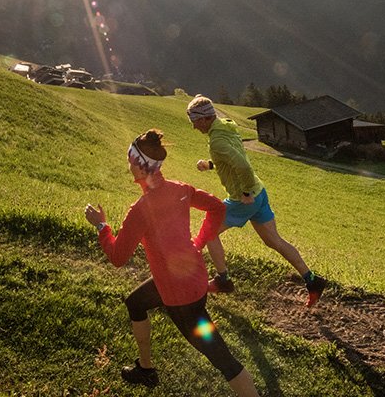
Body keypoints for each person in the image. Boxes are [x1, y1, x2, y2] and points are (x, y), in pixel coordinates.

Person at [83, 129, 259, 396]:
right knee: (136, 302)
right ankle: (146, 370)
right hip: (192, 277)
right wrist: (199, 242)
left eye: (131, 160)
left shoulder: (141, 210)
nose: (128, 164)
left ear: (140, 168)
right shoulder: (180, 189)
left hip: (181, 297)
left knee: (223, 359)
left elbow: (118, 258)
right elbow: (217, 208)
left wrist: (101, 227)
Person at [186, 95, 330, 307]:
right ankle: (312, 280)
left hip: (243, 200)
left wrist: (245, 193)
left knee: (208, 233)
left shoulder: (217, 140)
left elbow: (242, 165)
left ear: (204, 119)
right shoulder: (226, 127)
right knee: (274, 241)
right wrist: (210, 165)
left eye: (194, 122)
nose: (194, 127)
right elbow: (233, 160)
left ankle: (222, 280)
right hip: (259, 192)